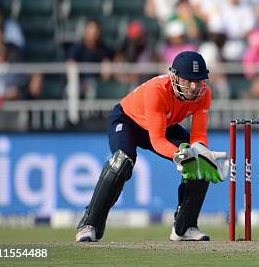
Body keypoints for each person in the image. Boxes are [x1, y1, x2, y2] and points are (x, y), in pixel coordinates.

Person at [76, 51, 227, 242]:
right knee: (122, 161)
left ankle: (185, 227)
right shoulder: (157, 90)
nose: (194, 86)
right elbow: (157, 140)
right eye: (188, 80)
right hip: (128, 121)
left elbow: (198, 135)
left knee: (200, 161)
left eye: (198, 80)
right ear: (175, 76)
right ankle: (89, 224)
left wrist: (200, 154)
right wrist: (180, 154)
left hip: (164, 124)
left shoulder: (203, 95)